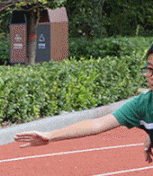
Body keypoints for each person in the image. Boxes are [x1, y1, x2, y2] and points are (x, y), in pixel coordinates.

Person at [14, 44, 153, 163]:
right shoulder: (142, 105)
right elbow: (96, 124)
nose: (151, 77)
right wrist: (50, 135)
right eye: (150, 69)